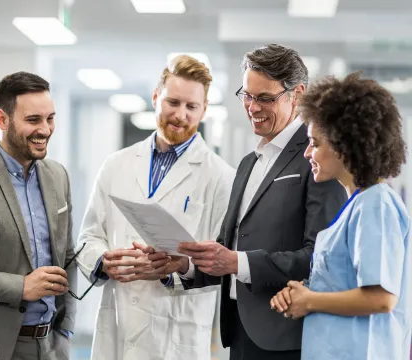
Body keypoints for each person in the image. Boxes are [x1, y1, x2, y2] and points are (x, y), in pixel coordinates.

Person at [177, 44, 347, 360]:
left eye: (265, 98)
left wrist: (239, 262)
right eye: (247, 95)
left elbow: (321, 258)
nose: (253, 107)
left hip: (289, 337)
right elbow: (229, 250)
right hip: (240, 332)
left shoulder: (318, 160)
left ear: (297, 95)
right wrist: (186, 265)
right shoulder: (247, 164)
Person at [75, 55, 235, 360]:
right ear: (155, 97)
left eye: (192, 107)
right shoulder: (116, 165)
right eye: (173, 102)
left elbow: (222, 265)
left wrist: (179, 265)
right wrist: (103, 262)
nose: (180, 115)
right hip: (118, 321)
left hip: (176, 332)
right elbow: (88, 237)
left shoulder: (221, 177)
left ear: (204, 109)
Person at [270, 72, 411, 360]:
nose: (308, 152)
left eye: (316, 143)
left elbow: (381, 298)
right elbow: (347, 282)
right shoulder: (356, 204)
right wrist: (302, 291)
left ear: (345, 145)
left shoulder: (376, 203)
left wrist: (310, 301)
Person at [0, 72, 77, 360]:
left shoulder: (58, 176)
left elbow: (68, 256)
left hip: (52, 346)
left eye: (50, 119)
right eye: (33, 120)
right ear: (2, 120)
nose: (45, 130)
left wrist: (66, 330)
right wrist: (22, 287)